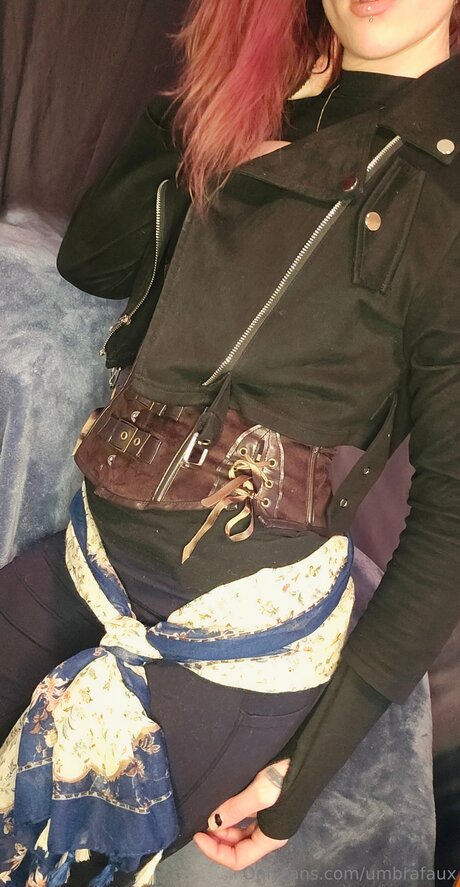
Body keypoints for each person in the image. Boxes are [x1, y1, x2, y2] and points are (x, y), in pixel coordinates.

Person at [1, 0, 460, 883]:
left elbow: (451, 518)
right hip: (89, 560)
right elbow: (93, 259)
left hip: (233, 639)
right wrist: (222, 94)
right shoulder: (267, 103)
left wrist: (306, 770)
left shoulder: (447, 186)